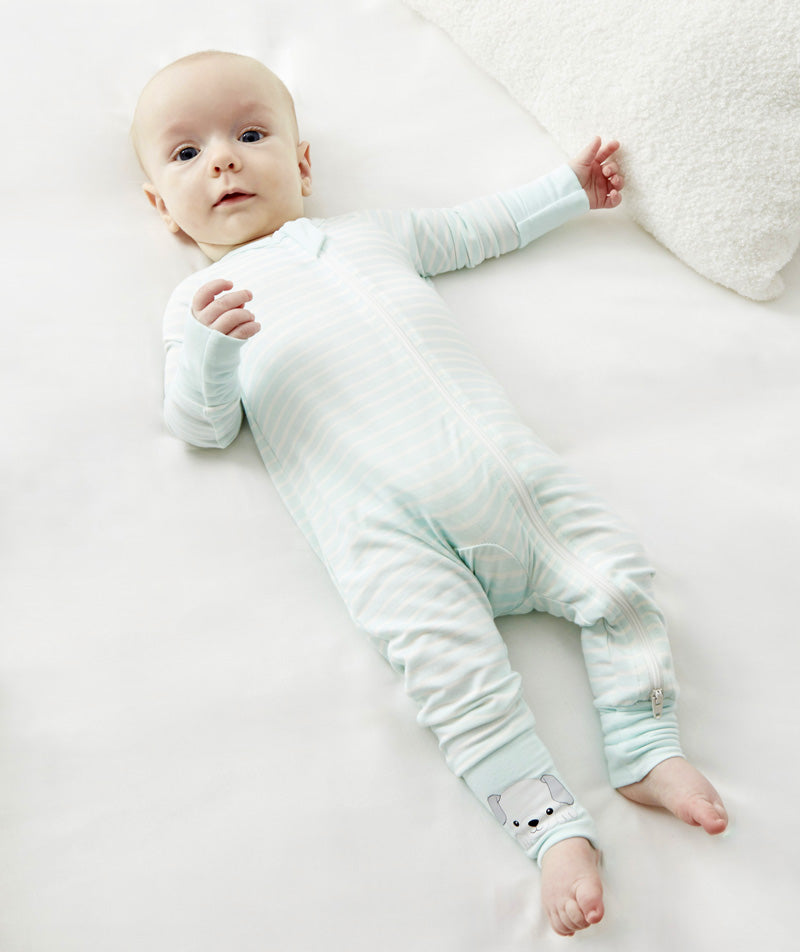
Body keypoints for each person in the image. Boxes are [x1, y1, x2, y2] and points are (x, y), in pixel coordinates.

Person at [131, 50, 728, 937]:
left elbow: (477, 226)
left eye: (250, 135)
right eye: (185, 154)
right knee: (458, 687)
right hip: (381, 534)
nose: (221, 159)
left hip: (504, 480)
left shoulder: (371, 234)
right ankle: (554, 831)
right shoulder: (196, 304)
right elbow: (201, 425)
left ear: (300, 164)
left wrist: (569, 190)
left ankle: (645, 747)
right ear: (160, 209)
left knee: (617, 580)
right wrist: (216, 354)